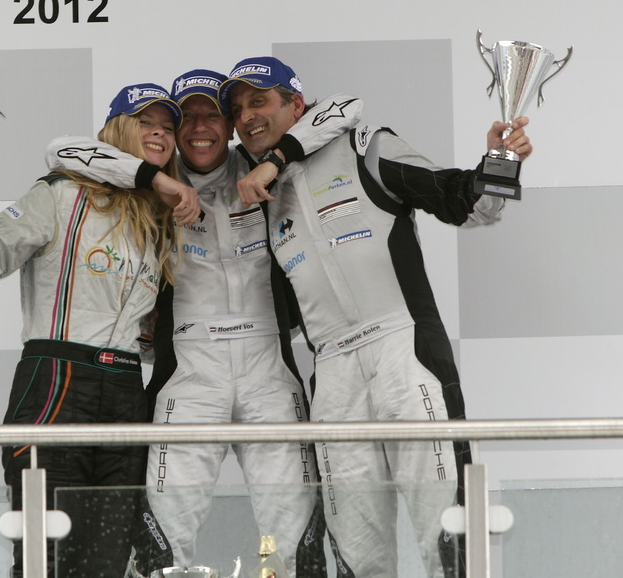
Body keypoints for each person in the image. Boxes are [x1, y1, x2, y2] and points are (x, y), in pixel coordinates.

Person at [218, 56, 533, 578]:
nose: (247, 116)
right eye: (237, 109)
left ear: (296, 104)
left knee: (445, 531)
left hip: (404, 352)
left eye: (259, 101)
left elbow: (466, 203)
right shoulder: (255, 193)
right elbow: (279, 310)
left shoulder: (364, 147)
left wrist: (502, 160)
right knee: (357, 552)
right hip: (332, 374)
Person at [45, 69, 357, 576]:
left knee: (288, 531)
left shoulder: (264, 167)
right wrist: (158, 181)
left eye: (212, 114)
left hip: (269, 373)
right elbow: (60, 151)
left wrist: (272, 162)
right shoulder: (147, 179)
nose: (199, 127)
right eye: (186, 117)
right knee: (168, 533)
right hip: (189, 375)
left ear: (230, 125)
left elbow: (347, 107)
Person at [0, 83, 190, 578]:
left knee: (107, 558)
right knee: (43, 554)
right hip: (57, 379)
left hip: (126, 390)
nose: (159, 134)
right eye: (146, 123)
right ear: (118, 129)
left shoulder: (162, 219)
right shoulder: (61, 192)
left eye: (167, 128)